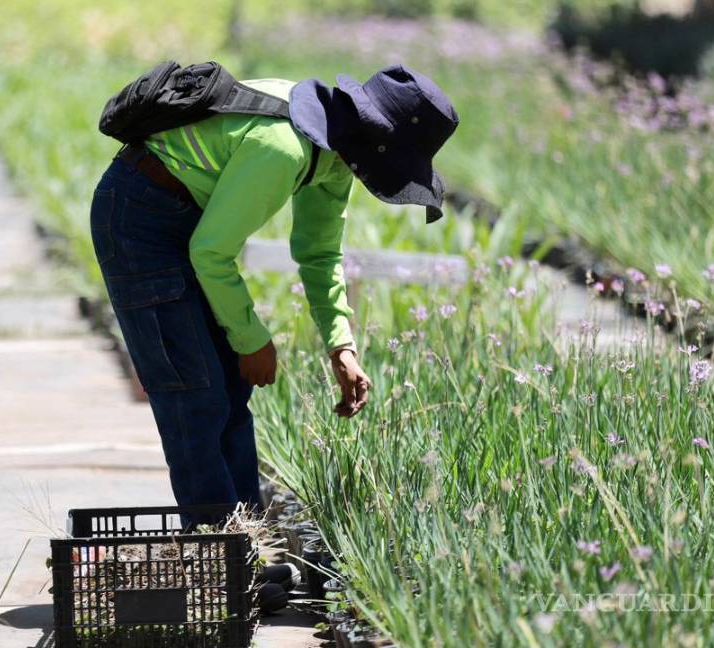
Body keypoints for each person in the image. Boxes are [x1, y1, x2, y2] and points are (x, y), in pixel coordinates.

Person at [89, 65, 459, 520]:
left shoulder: (334, 144)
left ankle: (246, 541)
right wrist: (252, 340)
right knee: (195, 394)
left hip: (184, 218)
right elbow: (211, 253)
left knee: (230, 388)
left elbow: (319, 253)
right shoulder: (282, 147)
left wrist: (340, 345)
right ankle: (216, 546)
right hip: (139, 222)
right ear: (377, 144)